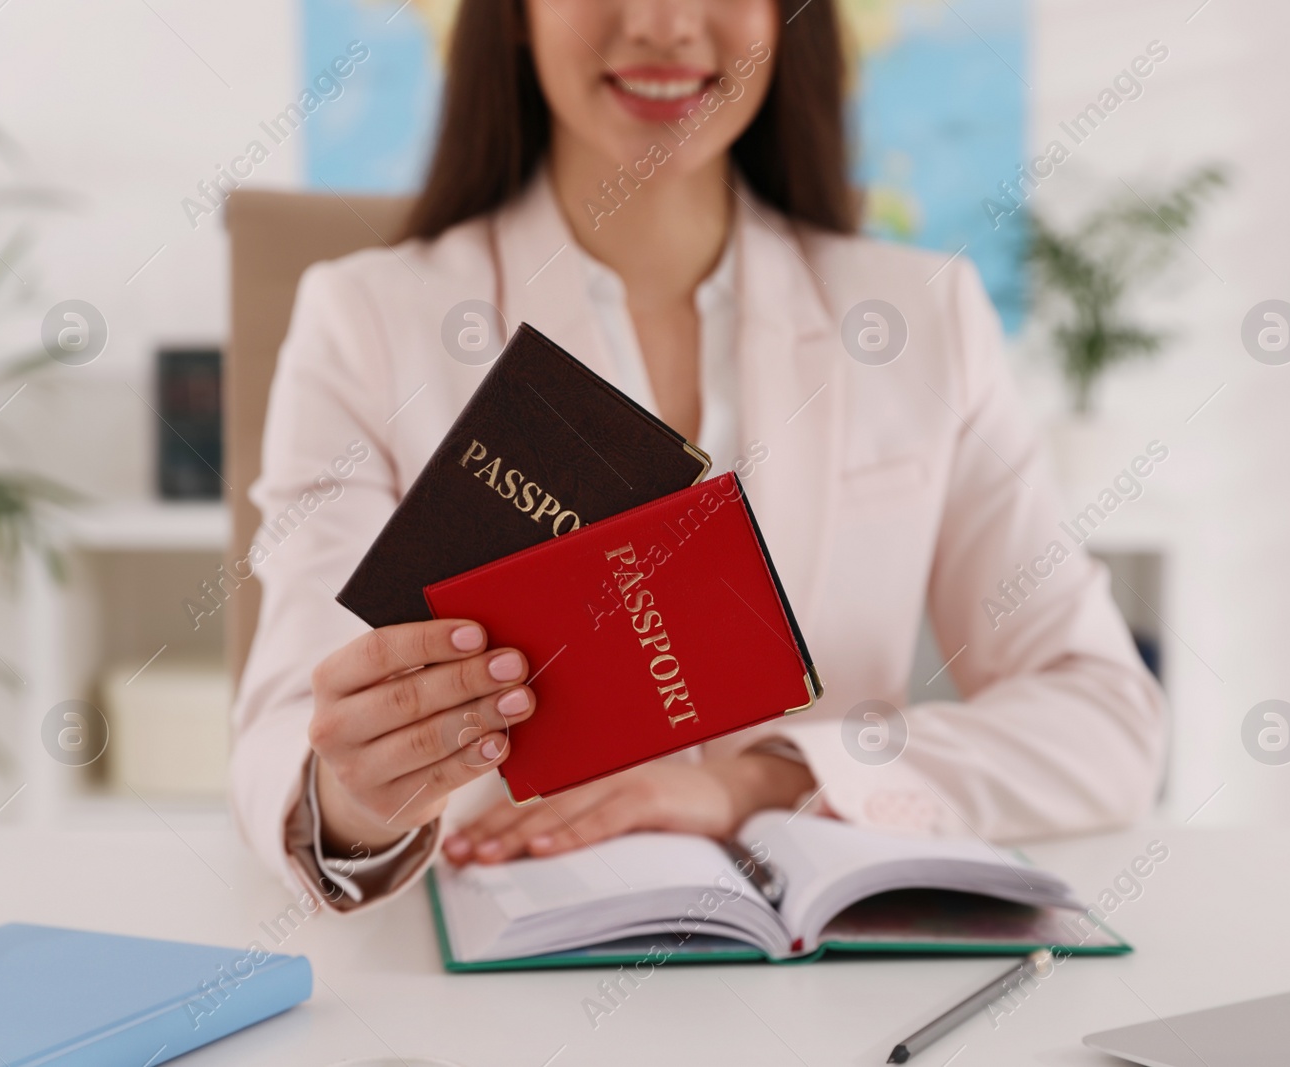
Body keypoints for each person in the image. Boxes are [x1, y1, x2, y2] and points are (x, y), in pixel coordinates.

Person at [231, 0, 1166, 909]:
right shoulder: (365, 320)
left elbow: (1106, 722)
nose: (664, 23)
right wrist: (357, 799)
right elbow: (286, 731)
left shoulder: (924, 320)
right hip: (490, 967)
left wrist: (761, 779)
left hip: (823, 978)